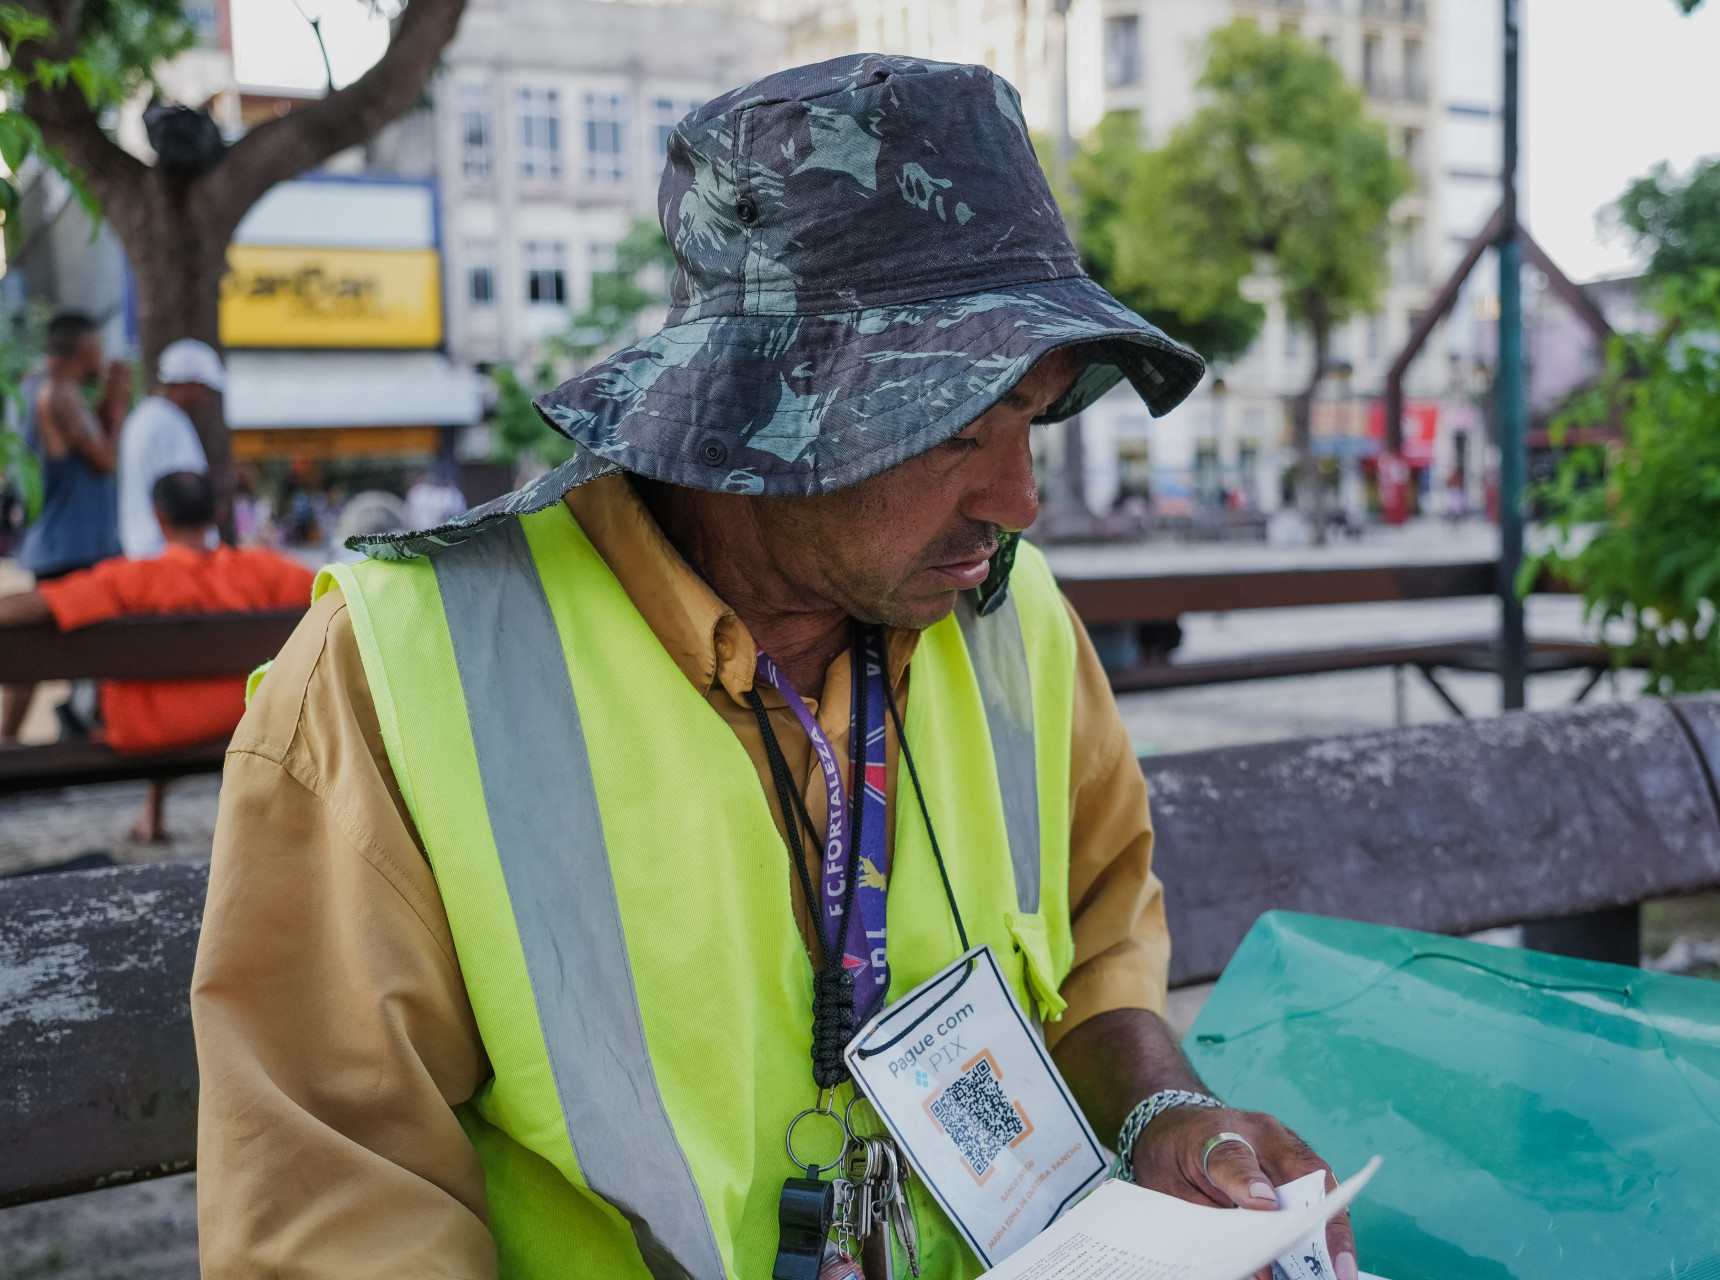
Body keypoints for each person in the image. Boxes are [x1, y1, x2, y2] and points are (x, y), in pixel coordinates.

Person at [191, 56, 1363, 1280]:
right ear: (761, 411)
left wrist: (1160, 1107)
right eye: (957, 425)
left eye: (1035, 415)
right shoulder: (401, 671)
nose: (1015, 500)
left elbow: (1098, 942)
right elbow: (333, 1212)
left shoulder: (1016, 627)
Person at [0, 471, 312, 838]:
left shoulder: (130, 578)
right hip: (244, 720)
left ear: (159, 517)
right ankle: (156, 814)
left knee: (154, 695)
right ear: (216, 512)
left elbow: (41, 605)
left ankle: (152, 815)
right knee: (203, 695)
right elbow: (333, 590)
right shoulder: (265, 571)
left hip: (151, 732)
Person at [2, 311, 130, 744]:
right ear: (85, 349)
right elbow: (104, 459)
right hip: (76, 545)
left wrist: (106, 399)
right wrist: (119, 406)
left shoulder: (33, 387)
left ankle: (14, 742)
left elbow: (77, 441)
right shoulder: (61, 393)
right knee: (68, 653)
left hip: (54, 542)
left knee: (40, 653)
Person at [118, 339, 224, 561]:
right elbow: (188, 496)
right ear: (188, 382)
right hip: (172, 556)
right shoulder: (170, 423)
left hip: (143, 550)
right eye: (204, 388)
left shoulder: (142, 415)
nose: (207, 397)